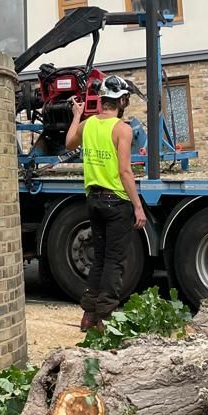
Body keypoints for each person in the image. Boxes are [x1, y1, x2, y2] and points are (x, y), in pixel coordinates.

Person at [65, 75, 147, 329]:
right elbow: (125, 171)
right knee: (114, 261)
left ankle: (89, 315)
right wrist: (137, 206)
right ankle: (105, 318)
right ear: (122, 100)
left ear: (101, 100)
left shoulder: (88, 125)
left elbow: (69, 143)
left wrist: (77, 114)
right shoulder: (122, 130)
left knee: (99, 259)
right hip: (116, 202)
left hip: (94, 200)